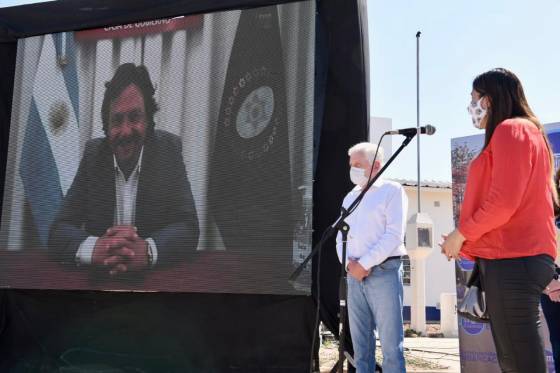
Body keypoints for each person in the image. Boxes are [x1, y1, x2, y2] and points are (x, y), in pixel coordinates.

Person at [441, 68, 557, 373]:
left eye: (473, 98)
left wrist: (461, 234)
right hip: (517, 258)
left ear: (489, 100)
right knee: (516, 358)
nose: (471, 106)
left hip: (513, 259)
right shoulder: (526, 132)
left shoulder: (511, 130)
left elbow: (503, 202)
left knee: (518, 360)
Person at [49, 63, 199, 276]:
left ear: (148, 121)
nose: (126, 131)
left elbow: (188, 227)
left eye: (135, 117)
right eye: (117, 121)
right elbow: (59, 229)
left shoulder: (168, 151)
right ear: (106, 127)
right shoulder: (93, 155)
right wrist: (95, 249)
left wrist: (147, 251)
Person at [336, 142, 408, 373]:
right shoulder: (349, 197)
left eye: (358, 164)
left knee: (391, 349)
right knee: (361, 349)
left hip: (384, 272)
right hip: (354, 277)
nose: (352, 170)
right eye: (351, 165)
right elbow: (341, 237)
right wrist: (349, 265)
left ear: (376, 165)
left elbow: (393, 235)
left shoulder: (392, 191)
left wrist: (363, 264)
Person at [541, 168, 560, 373]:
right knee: (558, 345)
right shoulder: (546, 211)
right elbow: (536, 248)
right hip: (551, 288)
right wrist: (551, 281)